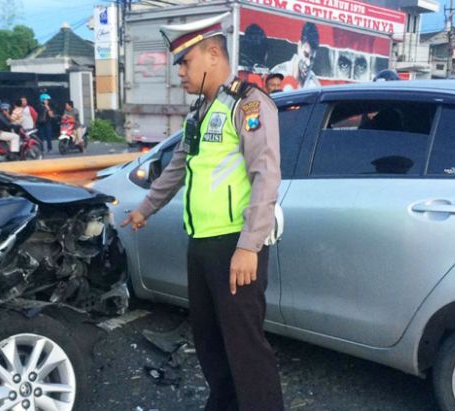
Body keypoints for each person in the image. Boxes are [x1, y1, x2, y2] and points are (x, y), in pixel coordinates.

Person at [124, 13, 284, 411]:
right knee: (210, 343)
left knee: (246, 349)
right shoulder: (200, 112)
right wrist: (146, 207)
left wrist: (249, 245)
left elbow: (266, 175)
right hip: (202, 245)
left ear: (213, 54)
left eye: (185, 61)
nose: (179, 71)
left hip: (234, 247)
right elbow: (178, 167)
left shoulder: (248, 104)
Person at [270, 22, 321, 91]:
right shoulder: (278, 75)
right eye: (306, 55)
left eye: (312, 59)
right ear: (299, 46)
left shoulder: (314, 84)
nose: (308, 63)